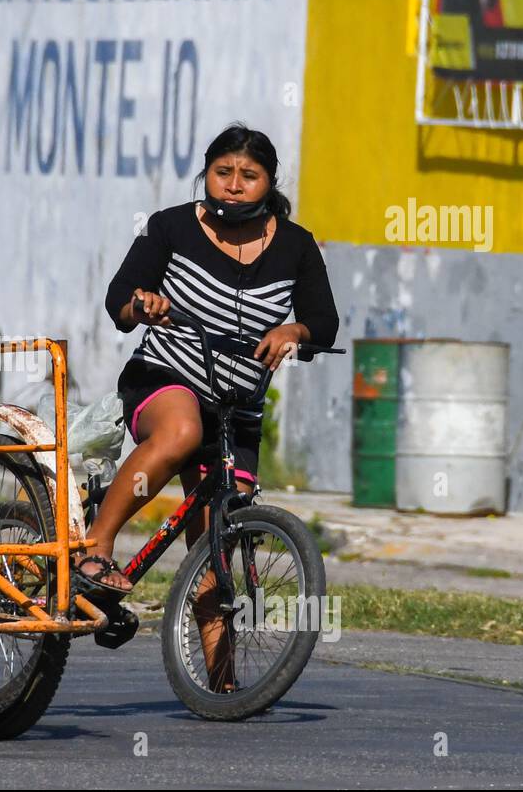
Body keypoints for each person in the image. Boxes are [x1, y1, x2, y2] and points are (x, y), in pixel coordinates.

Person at [83, 123, 339, 605]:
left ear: (271, 181)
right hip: (164, 378)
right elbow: (119, 301)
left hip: (235, 411)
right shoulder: (170, 226)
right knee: (182, 433)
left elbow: (323, 322)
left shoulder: (296, 245)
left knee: (215, 557)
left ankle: (222, 683)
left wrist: (294, 331)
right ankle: (96, 545)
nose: (235, 184)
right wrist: (143, 306)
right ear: (206, 175)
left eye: (249, 175)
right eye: (223, 172)